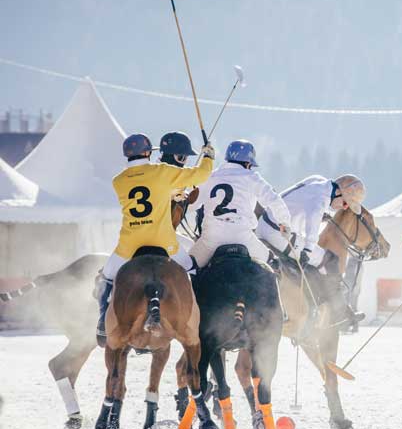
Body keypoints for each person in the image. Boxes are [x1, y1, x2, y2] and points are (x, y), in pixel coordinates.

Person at [95, 133, 214, 345]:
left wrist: (172, 191)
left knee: (106, 277)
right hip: (163, 241)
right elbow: (201, 175)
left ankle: (102, 324)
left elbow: (149, 190)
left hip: (130, 244)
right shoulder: (162, 172)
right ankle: (196, 318)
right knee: (191, 269)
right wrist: (208, 156)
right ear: (148, 152)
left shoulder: (118, 181)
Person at [256, 174, 366, 326]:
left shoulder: (318, 181)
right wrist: (307, 250)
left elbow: (300, 201)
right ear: (340, 192)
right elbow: (312, 225)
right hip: (276, 233)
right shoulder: (321, 199)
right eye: (346, 203)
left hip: (265, 224)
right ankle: (339, 311)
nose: (344, 207)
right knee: (330, 260)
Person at [189, 140, 290, 269]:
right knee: (273, 264)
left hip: (211, 239)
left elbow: (192, 205)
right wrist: (284, 223)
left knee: (187, 268)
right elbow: (274, 200)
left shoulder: (211, 176)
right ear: (248, 163)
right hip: (243, 238)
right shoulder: (252, 177)